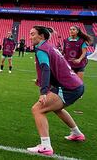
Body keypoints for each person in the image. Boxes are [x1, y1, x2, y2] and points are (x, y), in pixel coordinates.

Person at [27, 26, 85, 156]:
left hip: (68, 87)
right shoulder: (49, 46)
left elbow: (46, 68)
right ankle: (76, 133)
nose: (30, 37)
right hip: (76, 85)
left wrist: (43, 92)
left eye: (32, 34)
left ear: (41, 36)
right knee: (56, 108)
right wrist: (41, 80)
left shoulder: (41, 49)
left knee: (37, 109)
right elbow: (53, 66)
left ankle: (46, 146)